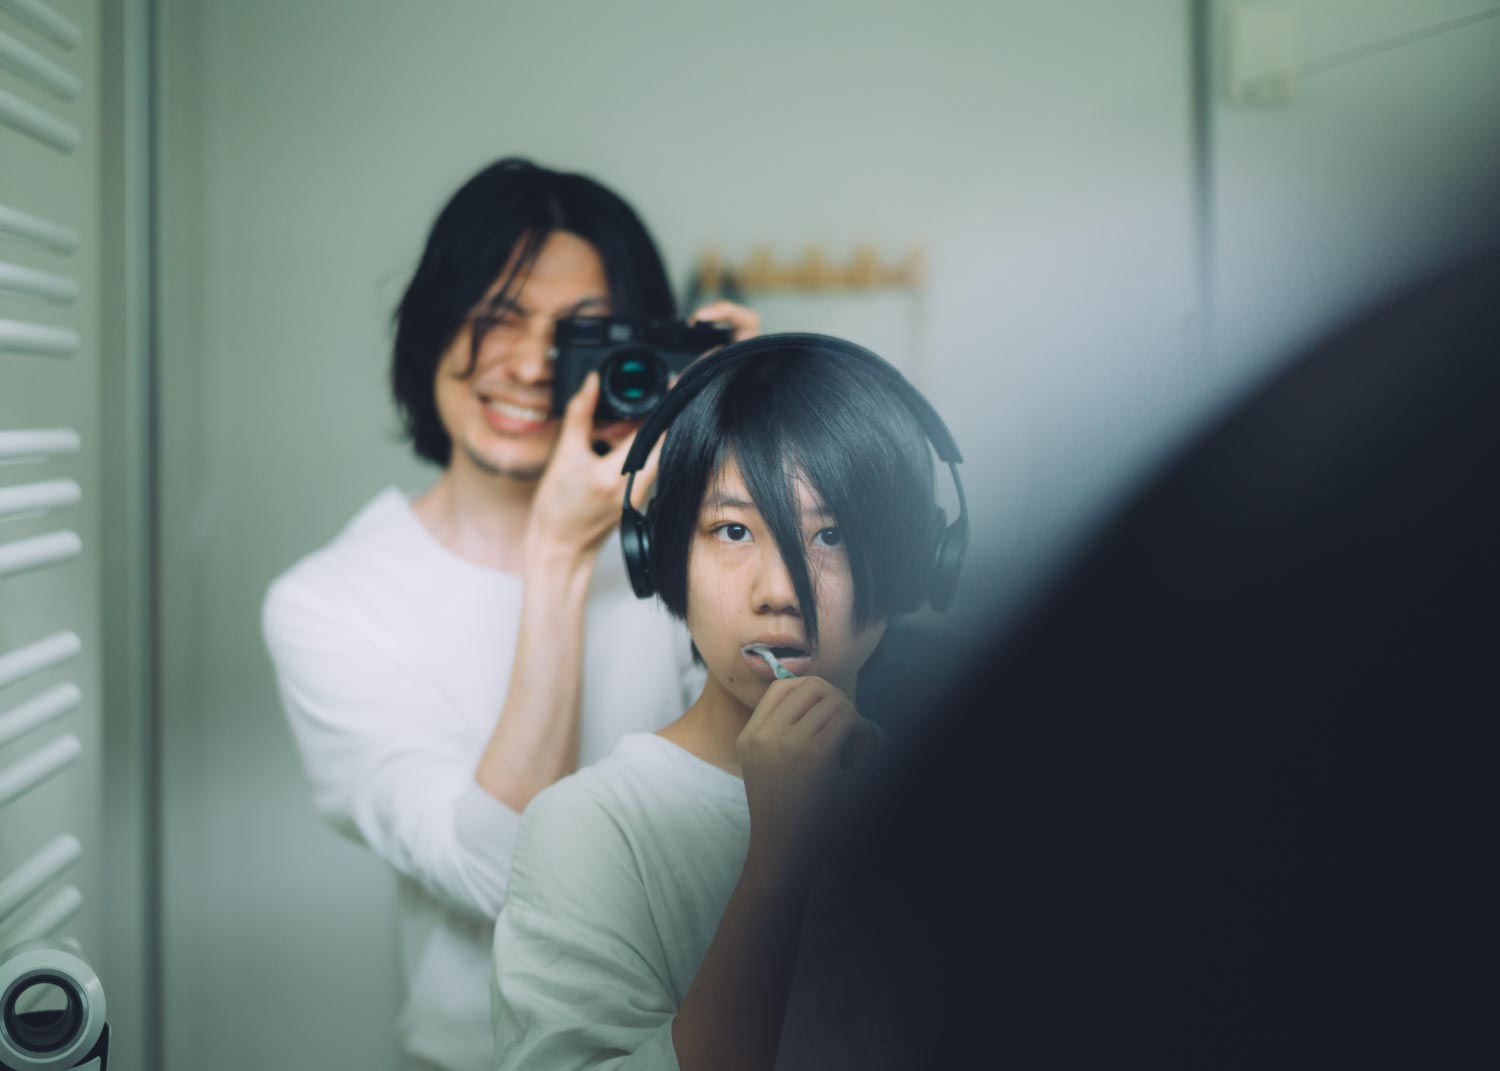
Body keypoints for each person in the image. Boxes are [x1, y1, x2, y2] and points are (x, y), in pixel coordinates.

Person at [261, 157, 758, 1071]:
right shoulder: (329, 604)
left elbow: (794, 756)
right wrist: (559, 555)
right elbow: (496, 872)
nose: (528, 367)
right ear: (430, 322)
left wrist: (747, 437)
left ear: (637, 350)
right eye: (494, 319)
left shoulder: (698, 543)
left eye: (577, 336)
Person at [490, 333, 967, 1070]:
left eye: (832, 533)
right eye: (734, 529)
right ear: (661, 555)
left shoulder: (973, 793)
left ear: (917, 563)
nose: (778, 590)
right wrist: (777, 859)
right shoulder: (593, 826)